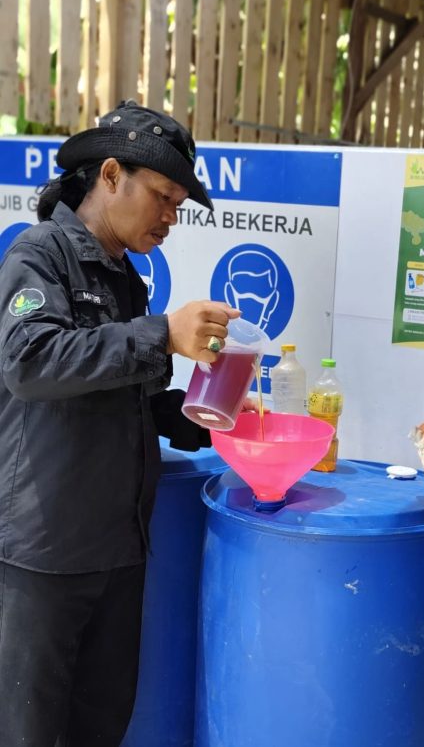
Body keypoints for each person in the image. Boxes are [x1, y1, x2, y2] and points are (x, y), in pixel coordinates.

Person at [0, 100, 246, 746]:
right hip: (45, 553)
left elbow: (123, 400)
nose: (171, 217)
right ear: (111, 175)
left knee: (101, 726)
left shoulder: (125, 280)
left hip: (118, 548)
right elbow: (30, 361)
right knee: (29, 731)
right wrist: (162, 333)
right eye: (163, 197)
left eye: (179, 205)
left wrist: (213, 418)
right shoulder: (40, 253)